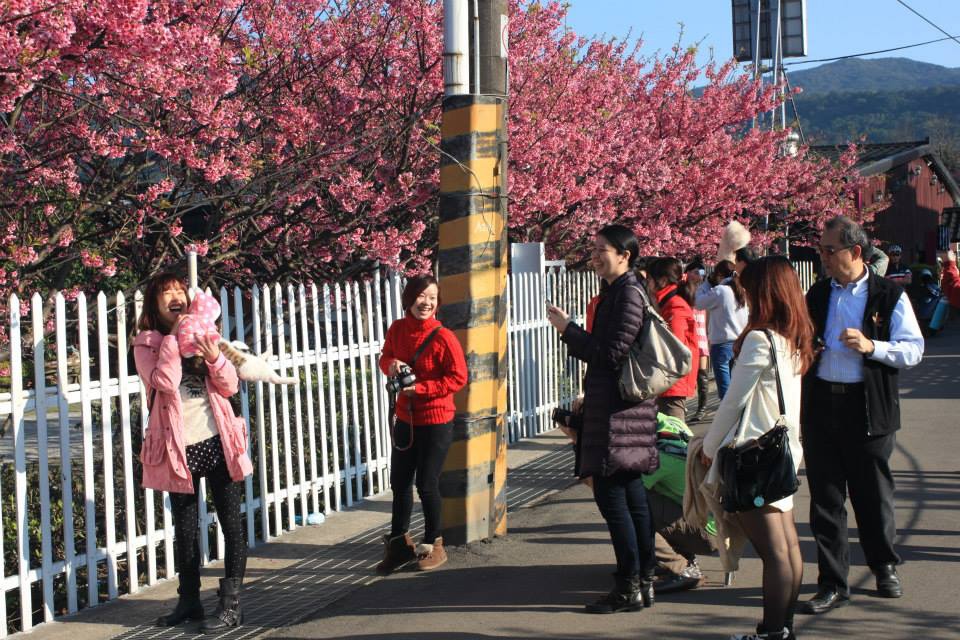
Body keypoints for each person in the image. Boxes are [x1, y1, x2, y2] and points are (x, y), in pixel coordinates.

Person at [801, 216, 924, 616]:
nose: (822, 257)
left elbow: (912, 349)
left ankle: (883, 565)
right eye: (821, 249)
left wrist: (873, 346)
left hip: (868, 407)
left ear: (855, 252)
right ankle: (832, 582)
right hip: (822, 406)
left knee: (872, 495)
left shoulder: (888, 295)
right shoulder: (818, 294)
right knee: (826, 499)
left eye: (828, 250)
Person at [546, 224, 659, 615]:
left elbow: (610, 354)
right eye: (593, 249)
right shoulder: (622, 290)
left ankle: (630, 584)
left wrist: (568, 331)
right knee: (631, 498)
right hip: (619, 410)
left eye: (602, 250)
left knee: (615, 500)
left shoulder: (626, 292)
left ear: (624, 254)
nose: (594, 256)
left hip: (618, 413)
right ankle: (642, 580)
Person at [701, 256, 813, 640]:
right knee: (787, 548)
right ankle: (782, 629)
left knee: (774, 552)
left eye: (748, 286)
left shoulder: (759, 338)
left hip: (754, 457)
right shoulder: (793, 336)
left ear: (764, 291)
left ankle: (771, 631)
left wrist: (710, 446)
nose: (742, 292)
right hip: (780, 454)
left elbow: (732, 399)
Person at [133, 273, 253, 633]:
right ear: (154, 304)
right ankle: (189, 601)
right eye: (165, 292)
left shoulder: (206, 334)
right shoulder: (146, 344)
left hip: (218, 441)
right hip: (177, 447)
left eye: (179, 290)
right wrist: (175, 338)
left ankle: (231, 605)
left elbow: (230, 385)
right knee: (185, 529)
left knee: (231, 524)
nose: (174, 296)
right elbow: (164, 383)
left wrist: (214, 355)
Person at [376, 275, 468, 574]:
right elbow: (385, 356)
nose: (426, 302)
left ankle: (433, 544)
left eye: (432, 297)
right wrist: (391, 365)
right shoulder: (398, 328)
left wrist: (423, 389)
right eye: (421, 296)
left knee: (426, 483)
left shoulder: (444, 337)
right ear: (409, 299)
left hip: (437, 419)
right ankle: (400, 545)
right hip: (406, 417)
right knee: (399, 483)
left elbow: (458, 378)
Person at [647, 257, 699, 420]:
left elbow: (673, 346)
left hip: (672, 380)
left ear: (661, 280)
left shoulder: (674, 305)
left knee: (672, 436)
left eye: (649, 280)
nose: (647, 284)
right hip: (668, 378)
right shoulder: (667, 302)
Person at [695, 260, 749, 400]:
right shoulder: (741, 290)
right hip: (740, 342)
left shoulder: (720, 291)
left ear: (718, 275)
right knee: (737, 386)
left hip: (722, 344)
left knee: (725, 391)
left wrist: (706, 283)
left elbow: (699, 303)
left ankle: (728, 418)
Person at [683, 262, 710, 422]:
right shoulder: (683, 290)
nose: (700, 274)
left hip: (701, 336)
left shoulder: (705, 291)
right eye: (696, 271)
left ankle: (702, 408)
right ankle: (683, 406)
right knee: (685, 373)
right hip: (687, 336)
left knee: (702, 374)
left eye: (701, 271)